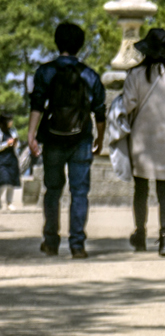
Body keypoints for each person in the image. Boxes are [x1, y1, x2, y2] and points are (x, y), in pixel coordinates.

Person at [27, 22, 106, 258]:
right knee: (79, 192)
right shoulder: (89, 75)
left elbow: (37, 105)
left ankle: (51, 241)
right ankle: (77, 244)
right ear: (80, 45)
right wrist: (100, 139)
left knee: (52, 190)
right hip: (81, 138)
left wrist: (31, 134)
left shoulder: (45, 72)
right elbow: (100, 112)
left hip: (53, 137)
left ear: (57, 42)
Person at [122, 27, 165, 257]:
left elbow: (128, 106)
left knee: (140, 189)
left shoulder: (134, 76)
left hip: (142, 138)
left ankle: (140, 233)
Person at [0, 112, 20, 211]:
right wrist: (6, 144)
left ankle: (9, 202)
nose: (11, 122)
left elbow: (18, 144)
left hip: (12, 158)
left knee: (11, 181)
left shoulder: (13, 131)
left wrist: (15, 144)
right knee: (3, 181)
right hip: (2, 159)